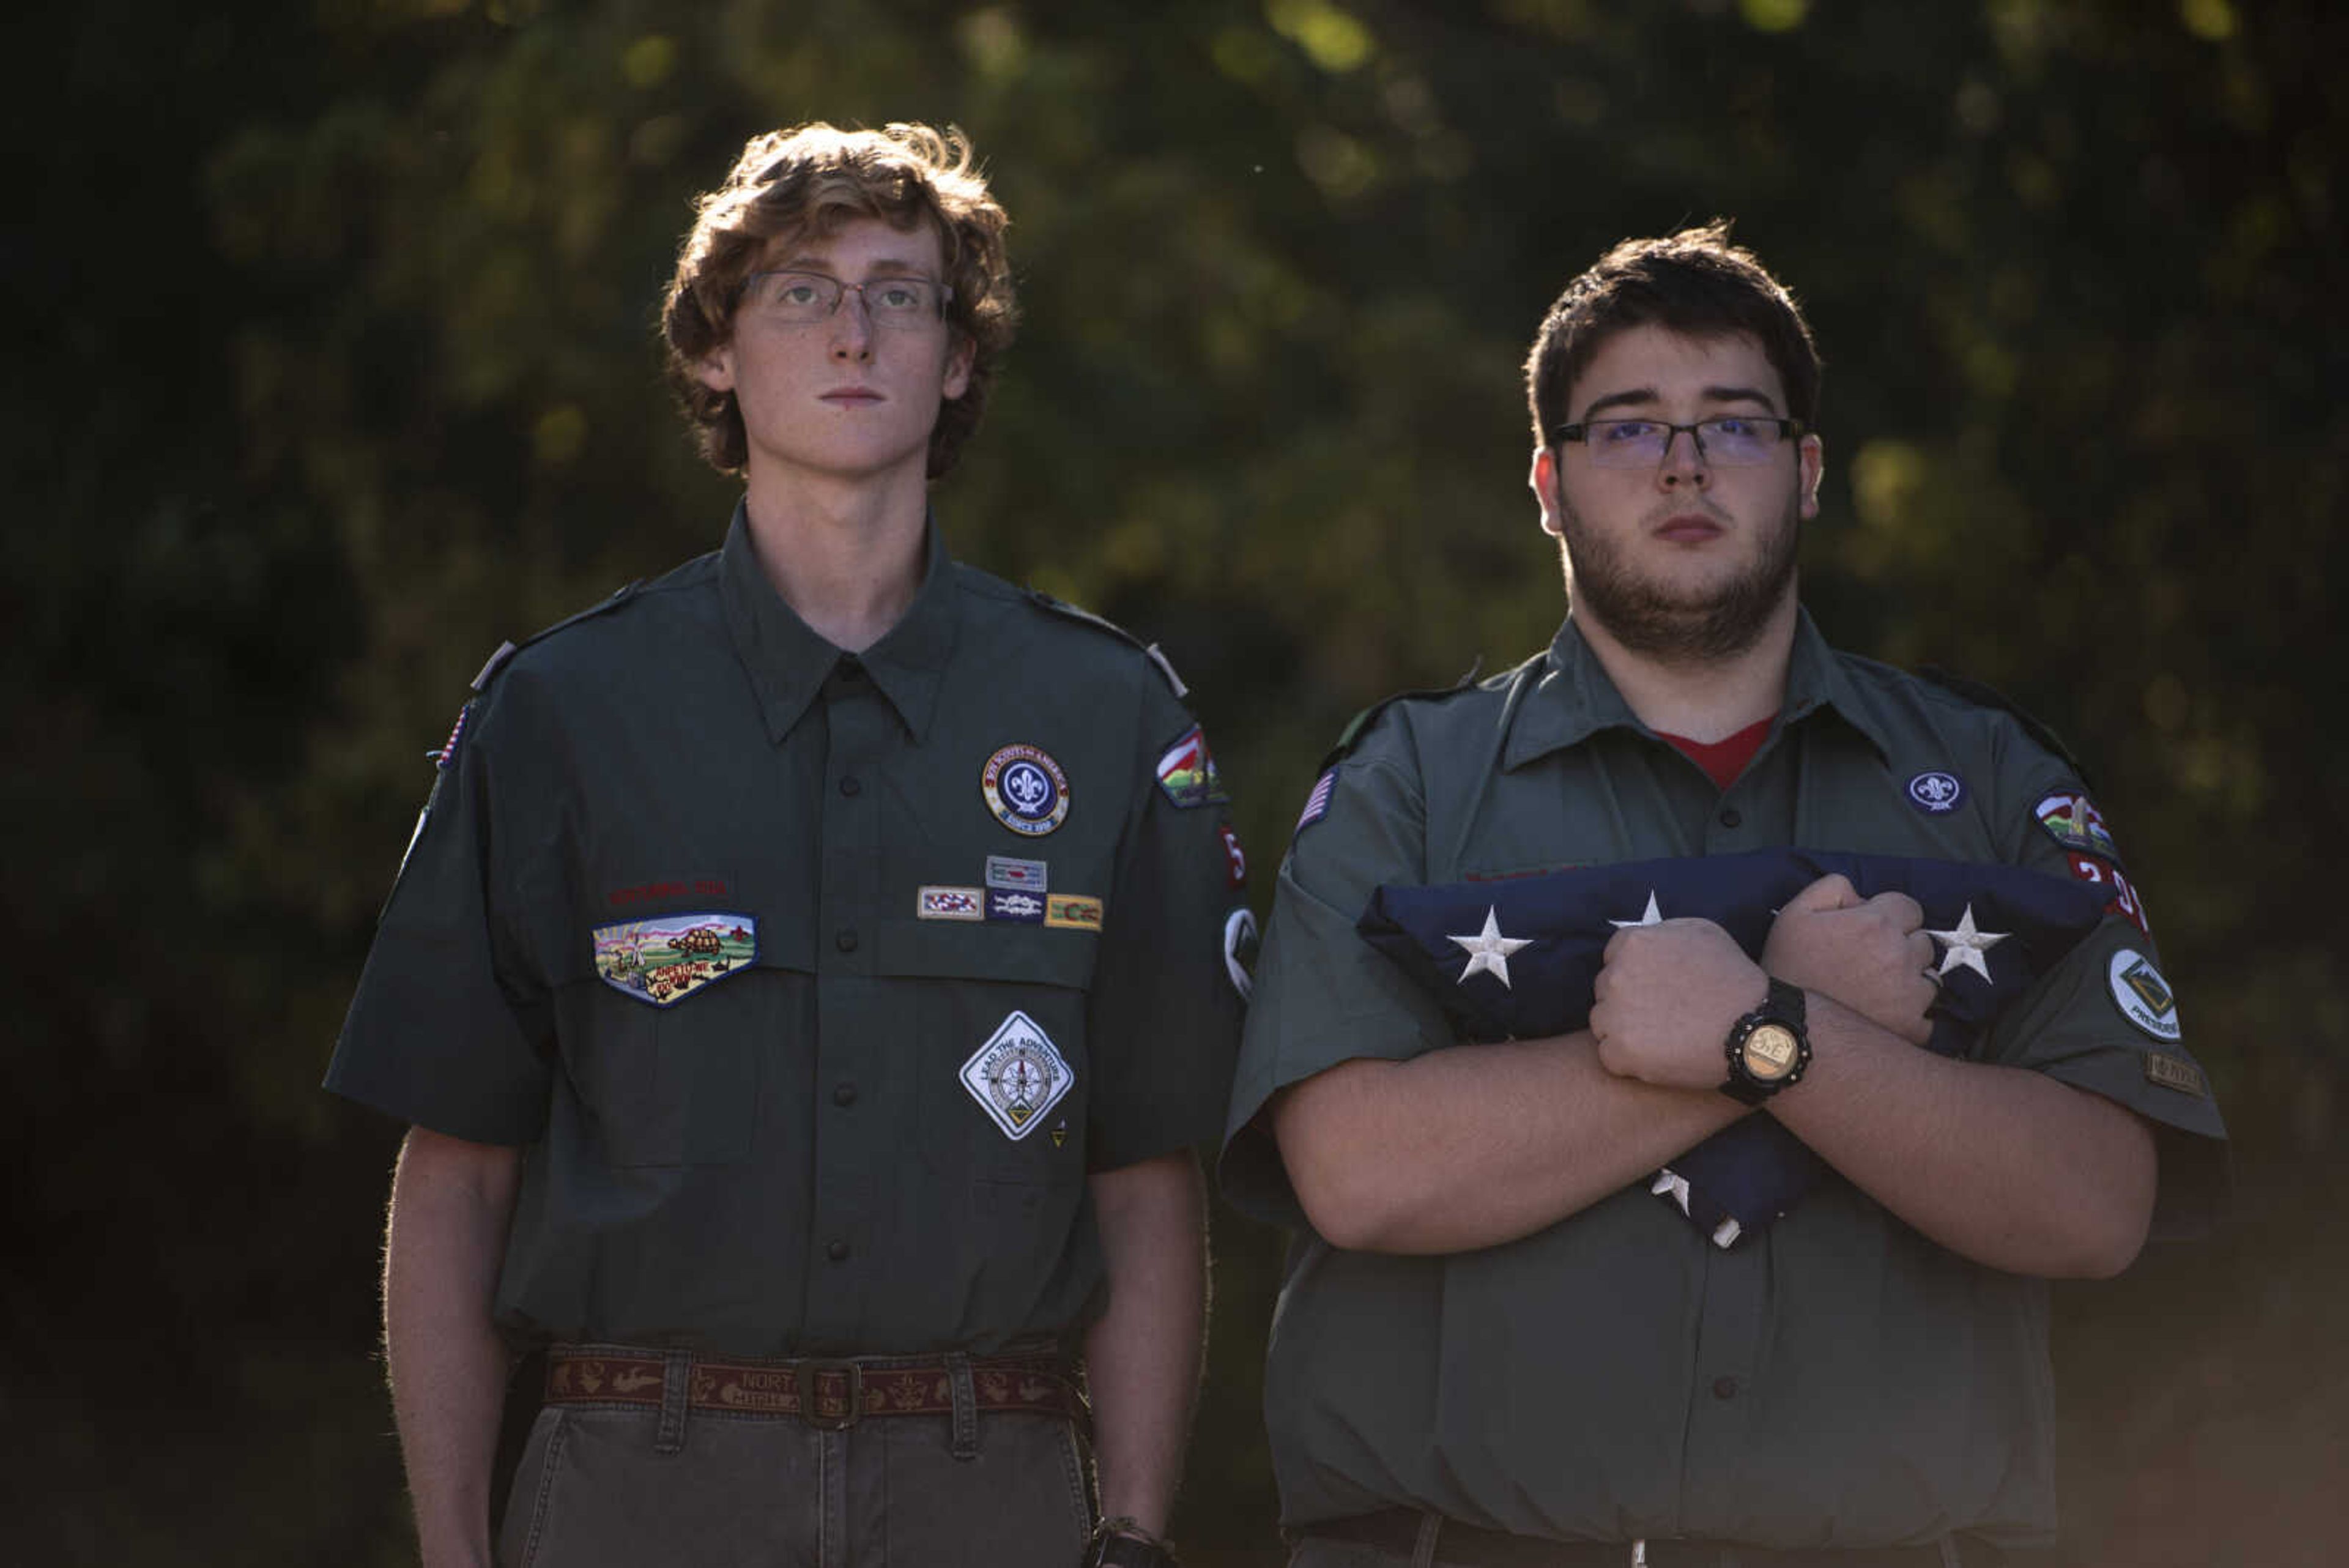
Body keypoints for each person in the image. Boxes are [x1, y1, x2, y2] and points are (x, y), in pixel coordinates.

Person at [1222, 223, 2227, 1568]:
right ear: (1546, 482)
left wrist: (1771, 1035)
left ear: (1807, 473)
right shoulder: (1410, 782)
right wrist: (1773, 1029)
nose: (1685, 463)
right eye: (1628, 428)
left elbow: (2098, 1202)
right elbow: (1354, 1173)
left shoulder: (1990, 779)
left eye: (1735, 426)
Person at [327, 121, 1248, 1568]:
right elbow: (457, 1173)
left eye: (903, 291)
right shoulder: (565, 713)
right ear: (713, 352)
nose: (855, 330)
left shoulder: (1104, 714)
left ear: (956, 360)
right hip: (641, 1478)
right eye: (801, 290)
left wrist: (1130, 1531)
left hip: (988, 1482)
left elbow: (1144, 1177)